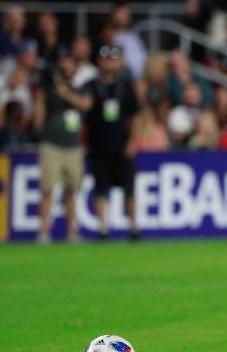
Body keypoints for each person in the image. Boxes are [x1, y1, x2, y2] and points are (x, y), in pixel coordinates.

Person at [82, 44, 139, 240]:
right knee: (100, 187)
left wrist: (133, 141)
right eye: (106, 58)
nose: (109, 62)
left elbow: (135, 116)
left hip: (121, 145)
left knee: (128, 187)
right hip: (98, 145)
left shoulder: (125, 86)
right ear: (99, 61)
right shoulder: (91, 85)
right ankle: (103, 228)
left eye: (113, 58)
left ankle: (134, 227)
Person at [34, 53, 91, 244]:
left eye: (69, 66)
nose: (65, 69)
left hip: (73, 148)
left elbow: (85, 105)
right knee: (47, 190)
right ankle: (43, 231)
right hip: (51, 145)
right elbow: (39, 114)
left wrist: (65, 92)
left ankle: (71, 231)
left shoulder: (80, 88)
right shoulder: (48, 90)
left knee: (71, 191)